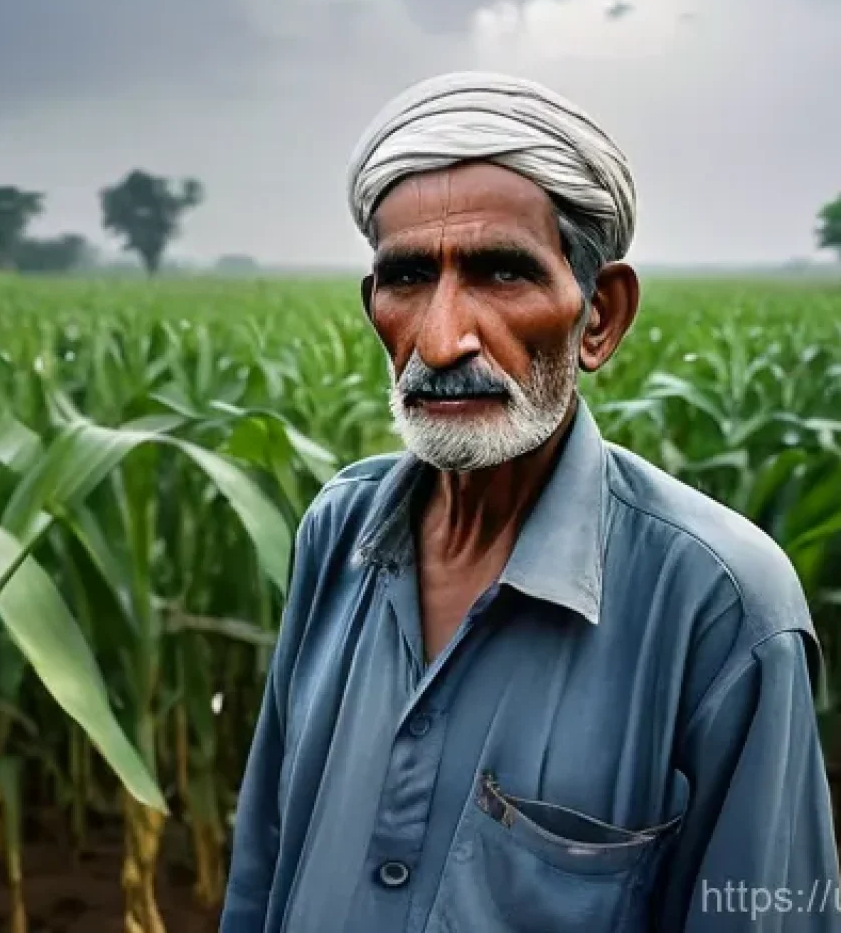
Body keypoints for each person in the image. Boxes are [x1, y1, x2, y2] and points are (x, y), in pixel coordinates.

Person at [220, 72, 840, 932]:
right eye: (407, 279)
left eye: (502, 273)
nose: (441, 340)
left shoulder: (721, 606)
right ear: (374, 310)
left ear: (599, 317)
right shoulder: (339, 530)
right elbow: (265, 862)